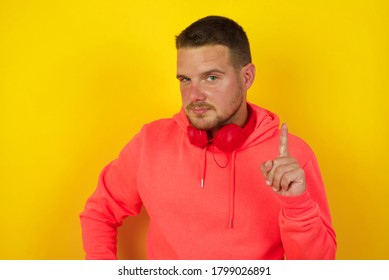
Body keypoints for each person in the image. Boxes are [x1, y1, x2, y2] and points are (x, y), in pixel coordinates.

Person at [80, 15, 337, 260]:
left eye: (211, 78)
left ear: (246, 77)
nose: (194, 95)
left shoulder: (292, 158)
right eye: (185, 79)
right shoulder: (150, 142)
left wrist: (297, 206)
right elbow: (99, 214)